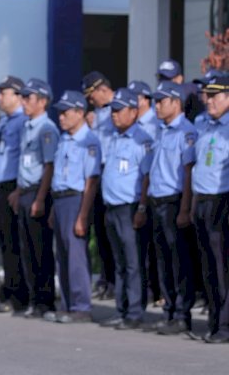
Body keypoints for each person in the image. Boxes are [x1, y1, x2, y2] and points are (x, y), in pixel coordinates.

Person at [99, 88, 153, 330]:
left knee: (132, 262)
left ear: (133, 111)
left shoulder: (141, 139)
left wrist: (142, 207)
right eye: (112, 110)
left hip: (129, 207)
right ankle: (121, 309)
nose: (114, 115)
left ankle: (134, 311)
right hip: (111, 207)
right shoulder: (112, 137)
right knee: (119, 262)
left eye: (119, 110)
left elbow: (146, 177)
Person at [145, 81, 196, 335]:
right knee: (163, 261)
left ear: (176, 103)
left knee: (179, 261)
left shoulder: (186, 132)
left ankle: (181, 314)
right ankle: (168, 312)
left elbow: (188, 173)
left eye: (161, 101)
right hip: (157, 201)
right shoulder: (161, 131)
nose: (156, 106)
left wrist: (185, 208)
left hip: (174, 201)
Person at [45, 91, 101, 324]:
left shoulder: (89, 141)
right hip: (59, 200)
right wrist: (52, 209)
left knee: (76, 254)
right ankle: (67, 305)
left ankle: (81, 306)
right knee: (63, 255)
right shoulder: (65, 139)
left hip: (76, 199)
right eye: (60, 112)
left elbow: (91, 180)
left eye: (66, 112)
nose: (61, 117)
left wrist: (83, 215)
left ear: (80, 113)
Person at [7, 78, 59, 319]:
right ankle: (33, 299)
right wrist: (18, 191)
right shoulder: (27, 126)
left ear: (43, 101)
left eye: (29, 98)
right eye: (23, 97)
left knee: (41, 250)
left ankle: (45, 301)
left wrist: (39, 198)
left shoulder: (47, 128)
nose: (24, 102)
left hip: (39, 192)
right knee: (26, 249)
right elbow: (23, 163)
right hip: (25, 192)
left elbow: (48, 166)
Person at [0, 75, 30, 313]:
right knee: (4, 243)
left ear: (18, 95)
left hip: (14, 187)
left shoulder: (24, 121)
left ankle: (18, 294)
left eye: (4, 93)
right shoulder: (3, 122)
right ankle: (9, 290)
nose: (0, 97)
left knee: (16, 243)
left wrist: (18, 189)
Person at [191, 76, 229, 343]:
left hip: (222, 200)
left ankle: (225, 326)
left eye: (215, 95)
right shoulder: (202, 124)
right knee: (207, 266)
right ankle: (214, 321)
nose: (209, 100)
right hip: (202, 200)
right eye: (207, 94)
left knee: (221, 267)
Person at [128, 80, 162, 309]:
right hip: (151, 196)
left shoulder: (153, 127)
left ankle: (158, 295)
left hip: (159, 196)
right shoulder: (137, 127)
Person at [82, 71, 116, 300]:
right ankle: (106, 278)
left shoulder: (121, 107)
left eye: (91, 95)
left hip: (115, 173)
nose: (90, 101)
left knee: (118, 235)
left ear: (102, 89)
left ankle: (117, 282)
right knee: (101, 230)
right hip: (97, 174)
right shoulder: (94, 115)